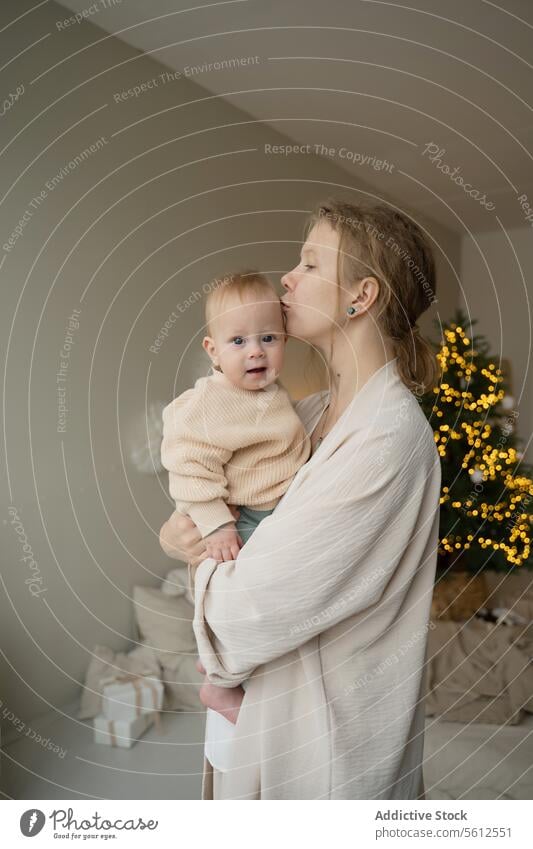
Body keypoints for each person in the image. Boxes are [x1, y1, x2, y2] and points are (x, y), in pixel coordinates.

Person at [160, 198, 442, 800]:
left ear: (360, 297)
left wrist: (198, 561)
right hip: (261, 719)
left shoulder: (386, 441)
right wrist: (186, 529)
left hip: (325, 750)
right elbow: (224, 502)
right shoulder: (304, 415)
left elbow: (244, 617)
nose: (287, 277)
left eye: (310, 263)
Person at [160, 270, 311, 768]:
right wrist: (216, 524)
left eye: (268, 338)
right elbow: (188, 466)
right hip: (241, 521)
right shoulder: (208, 405)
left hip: (272, 514)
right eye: (239, 340)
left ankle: (224, 670)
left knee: (263, 612)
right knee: (239, 610)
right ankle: (219, 685)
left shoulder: (271, 395)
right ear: (212, 349)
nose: (256, 352)